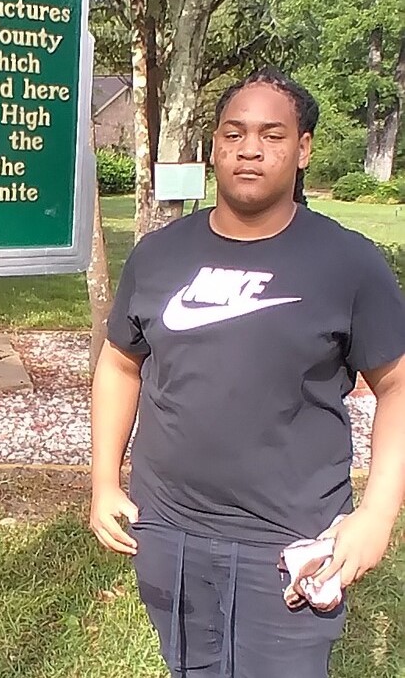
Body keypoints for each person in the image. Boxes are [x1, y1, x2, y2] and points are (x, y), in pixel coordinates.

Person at [89, 68, 405, 678]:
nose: (250, 149)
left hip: (290, 541)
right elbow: (121, 363)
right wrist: (104, 479)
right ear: (215, 146)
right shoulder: (159, 255)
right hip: (168, 531)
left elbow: (397, 387)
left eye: (272, 134)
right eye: (233, 133)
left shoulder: (347, 263)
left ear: (303, 148)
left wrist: (377, 515)